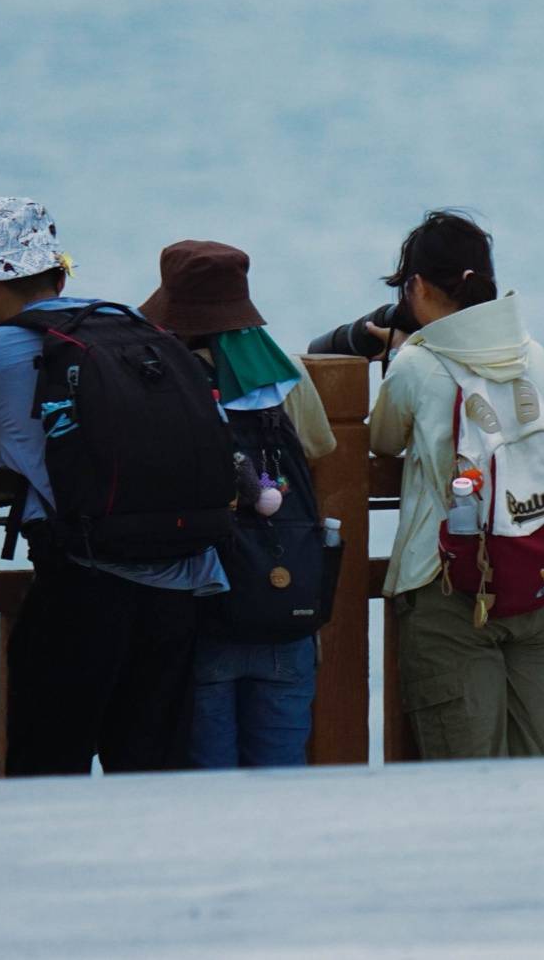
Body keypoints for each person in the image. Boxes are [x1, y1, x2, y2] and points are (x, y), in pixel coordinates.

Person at [0, 197, 228, 776]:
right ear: (61, 273)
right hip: (178, 584)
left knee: (45, 775)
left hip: (83, 589)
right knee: (151, 779)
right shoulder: (135, 325)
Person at [367, 210, 544, 759]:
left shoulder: (417, 364)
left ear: (418, 286)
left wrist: (397, 352)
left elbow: (384, 441)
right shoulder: (533, 353)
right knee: (529, 757)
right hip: (533, 570)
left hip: (448, 583)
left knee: (466, 777)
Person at [138, 239, 335, 768]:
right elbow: (320, 447)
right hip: (283, 598)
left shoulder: (156, 374)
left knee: (211, 785)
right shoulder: (282, 373)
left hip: (202, 603)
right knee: (280, 775)